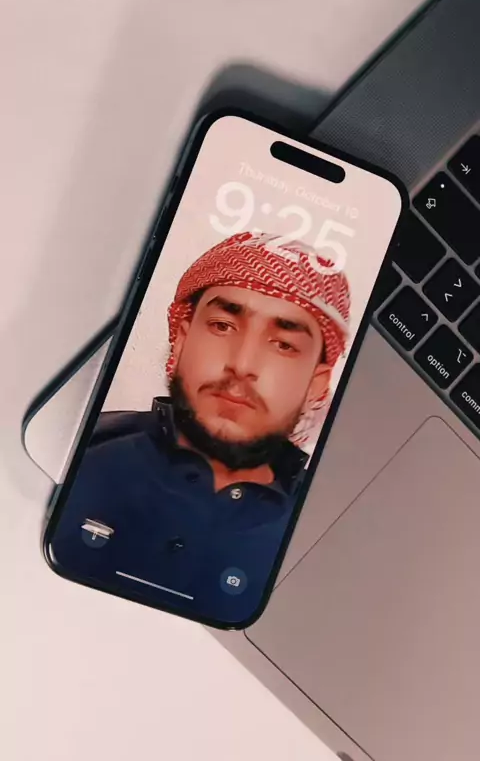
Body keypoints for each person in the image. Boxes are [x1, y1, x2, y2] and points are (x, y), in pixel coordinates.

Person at [51, 231, 350, 620]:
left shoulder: (319, 531)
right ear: (181, 339)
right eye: (223, 326)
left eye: (283, 345)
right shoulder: (75, 441)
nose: (242, 364)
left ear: (316, 385)